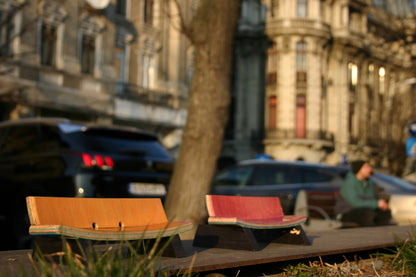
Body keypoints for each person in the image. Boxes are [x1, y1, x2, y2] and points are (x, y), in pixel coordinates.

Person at [334, 160, 392, 227]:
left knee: (385, 213)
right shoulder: (349, 184)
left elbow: (375, 196)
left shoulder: (369, 182)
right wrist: (377, 204)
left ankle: (381, 233)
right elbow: (355, 203)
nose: (370, 169)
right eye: (366, 167)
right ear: (359, 169)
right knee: (367, 214)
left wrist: (382, 202)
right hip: (346, 212)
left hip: (364, 210)